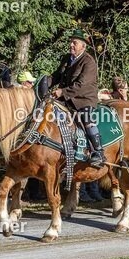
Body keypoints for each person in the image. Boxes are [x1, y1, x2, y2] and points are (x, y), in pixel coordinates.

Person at [48, 29, 104, 168]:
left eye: (75, 43)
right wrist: (42, 83)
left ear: (83, 46)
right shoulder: (67, 58)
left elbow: (81, 85)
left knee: (86, 117)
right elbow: (56, 76)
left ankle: (98, 151)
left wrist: (62, 92)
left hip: (83, 98)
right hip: (66, 98)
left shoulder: (89, 62)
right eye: (70, 42)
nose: (71, 45)